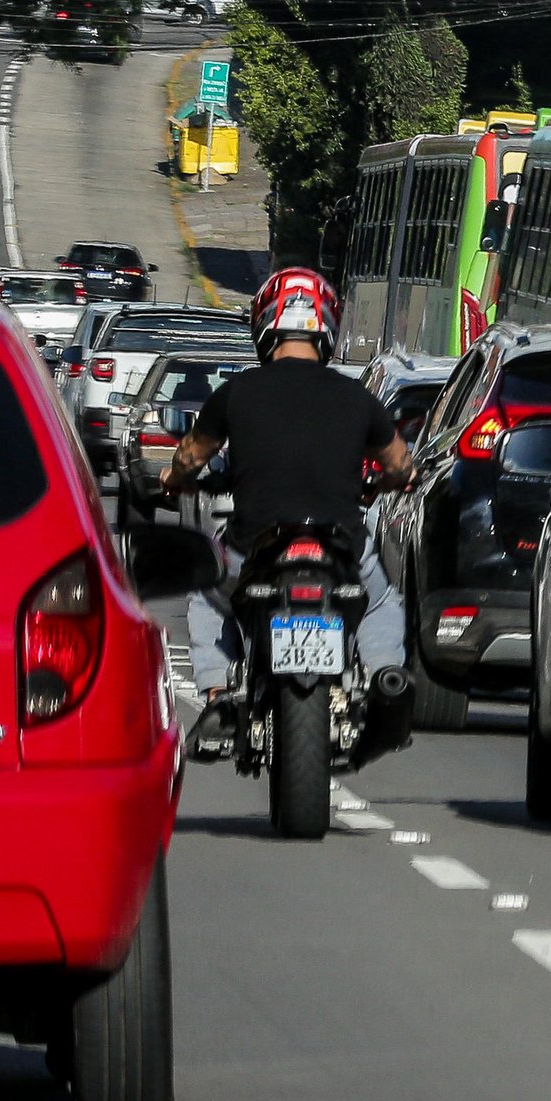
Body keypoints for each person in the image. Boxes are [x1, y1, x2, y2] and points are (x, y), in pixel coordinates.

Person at [161, 266, 416, 759]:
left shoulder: (235, 393)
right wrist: (385, 483)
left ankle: (215, 695)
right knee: (380, 602)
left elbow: (190, 456)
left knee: (207, 596)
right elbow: (401, 466)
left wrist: (174, 480)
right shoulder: (357, 397)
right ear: (327, 328)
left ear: (265, 324)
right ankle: (386, 674)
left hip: (256, 544)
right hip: (341, 545)